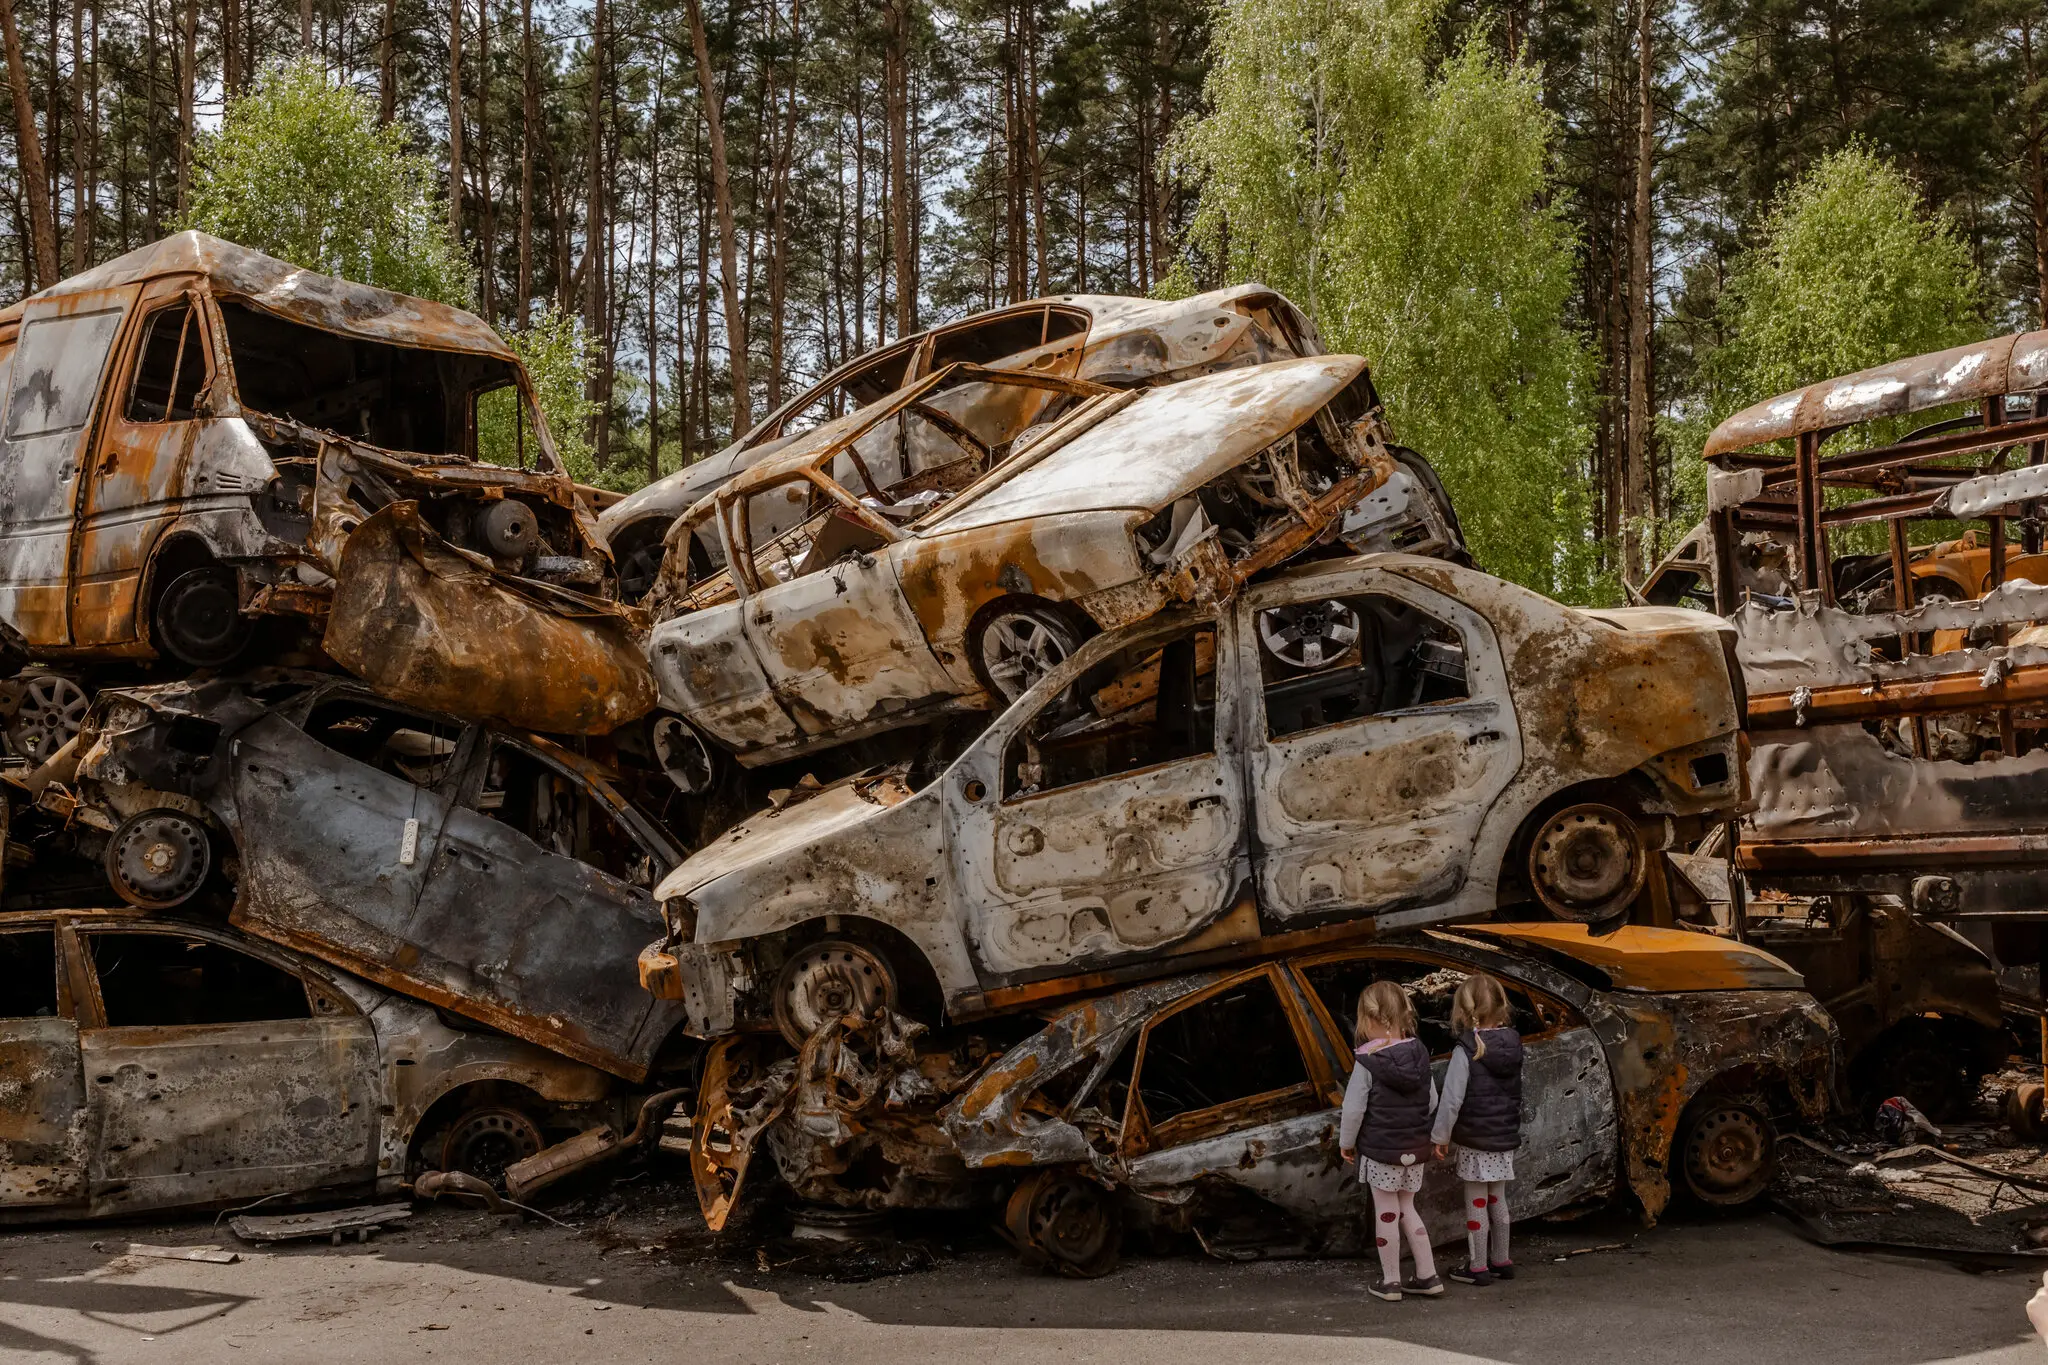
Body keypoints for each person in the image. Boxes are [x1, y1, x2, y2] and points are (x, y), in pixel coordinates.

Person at [1339, 979, 1443, 1301]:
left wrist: (1347, 1142)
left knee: (1386, 1212)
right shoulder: (1419, 1053)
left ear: (1368, 1019)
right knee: (1408, 1209)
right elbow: (1432, 1102)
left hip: (1382, 1153)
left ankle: (1391, 1281)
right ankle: (1427, 1275)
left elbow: (1354, 1108)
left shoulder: (1368, 1061)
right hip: (1415, 1149)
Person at [1429, 972, 1524, 1286]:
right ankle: (1502, 1259)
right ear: (1502, 1007)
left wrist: (1440, 1136)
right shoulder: (1513, 1044)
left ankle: (1478, 1266)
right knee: (1498, 1199)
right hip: (1503, 1137)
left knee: (1477, 1202)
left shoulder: (1466, 1049)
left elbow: (1452, 1100)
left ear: (1462, 1011)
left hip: (1475, 1139)